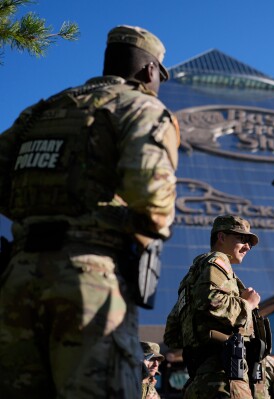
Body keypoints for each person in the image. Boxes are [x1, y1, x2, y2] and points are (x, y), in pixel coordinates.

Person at [0, 25, 179, 398]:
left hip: (16, 279)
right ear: (150, 71)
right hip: (90, 283)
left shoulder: (41, 110)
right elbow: (154, 202)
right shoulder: (140, 106)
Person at [164, 215, 274, 399]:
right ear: (222, 237)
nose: (248, 246)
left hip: (199, 380)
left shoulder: (190, 279)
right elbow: (214, 301)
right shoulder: (218, 261)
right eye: (242, 239)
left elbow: (172, 334)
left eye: (249, 241)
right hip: (225, 378)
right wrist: (247, 304)